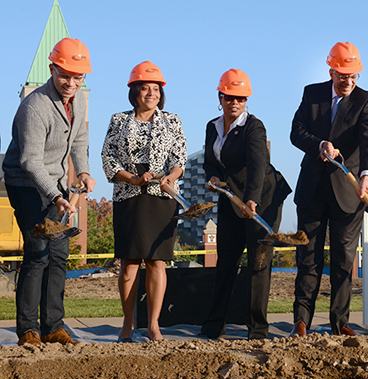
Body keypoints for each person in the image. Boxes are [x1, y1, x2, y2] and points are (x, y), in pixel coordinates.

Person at [2, 38, 96, 345]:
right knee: (38, 252)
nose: (70, 82)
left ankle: (53, 325)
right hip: (26, 182)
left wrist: (83, 171)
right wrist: (57, 197)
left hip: (54, 182)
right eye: (64, 75)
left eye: (77, 77)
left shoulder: (79, 99)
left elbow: (79, 139)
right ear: (52, 68)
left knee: (59, 254)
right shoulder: (35, 106)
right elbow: (30, 161)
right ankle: (28, 329)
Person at [290, 42, 368, 336]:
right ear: (331, 71)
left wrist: (366, 176)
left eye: (354, 77)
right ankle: (301, 321)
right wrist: (319, 145)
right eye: (343, 76)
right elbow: (296, 132)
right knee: (309, 258)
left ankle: (340, 323)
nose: (348, 82)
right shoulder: (312, 94)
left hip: (348, 193)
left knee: (344, 260)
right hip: (312, 190)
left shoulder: (366, 101)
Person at [200, 69, 291, 340]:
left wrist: (252, 200)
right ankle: (214, 325)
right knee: (226, 262)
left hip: (263, 198)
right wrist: (211, 177)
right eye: (229, 97)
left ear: (246, 99)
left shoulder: (254, 126)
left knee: (258, 264)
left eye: (240, 98)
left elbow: (258, 166)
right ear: (220, 97)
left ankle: (258, 329)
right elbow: (209, 162)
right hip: (231, 199)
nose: (235, 102)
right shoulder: (212, 127)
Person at [101, 61, 187, 342]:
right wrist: (132, 179)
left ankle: (153, 325)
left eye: (156, 89)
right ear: (134, 91)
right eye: (145, 88)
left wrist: (170, 177)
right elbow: (108, 157)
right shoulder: (118, 120)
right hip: (129, 196)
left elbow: (179, 159)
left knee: (157, 263)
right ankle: (127, 324)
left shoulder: (172, 120)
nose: (151, 93)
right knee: (129, 264)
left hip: (161, 198)